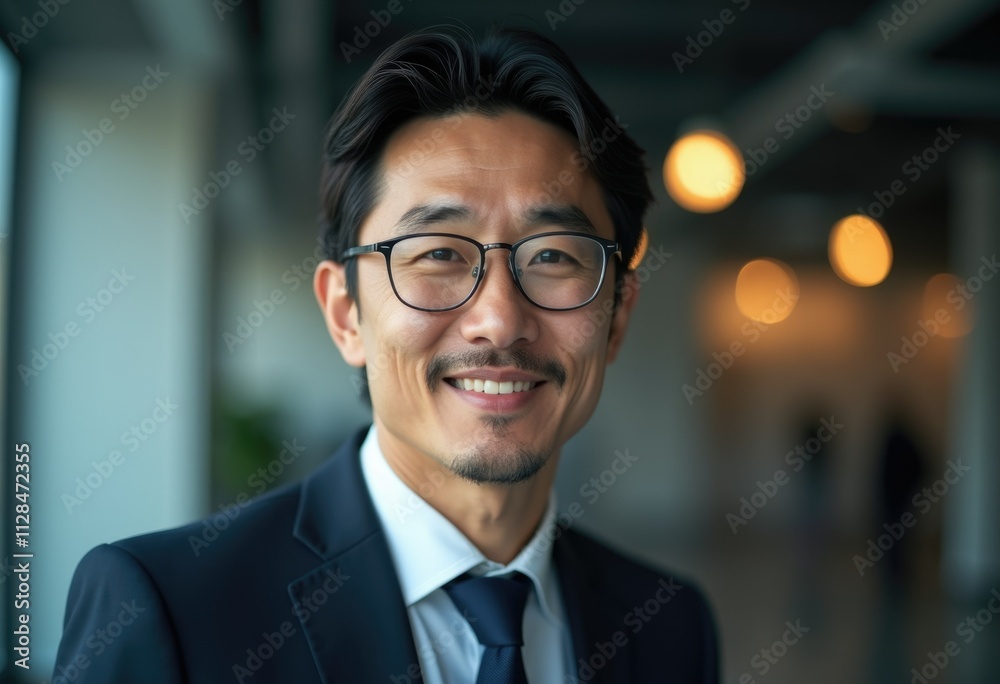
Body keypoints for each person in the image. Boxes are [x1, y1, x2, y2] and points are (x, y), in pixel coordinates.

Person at [53, 25, 719, 683]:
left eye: (551, 256)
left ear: (617, 316)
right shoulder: (171, 611)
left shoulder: (667, 625)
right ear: (345, 313)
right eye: (438, 255)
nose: (498, 320)